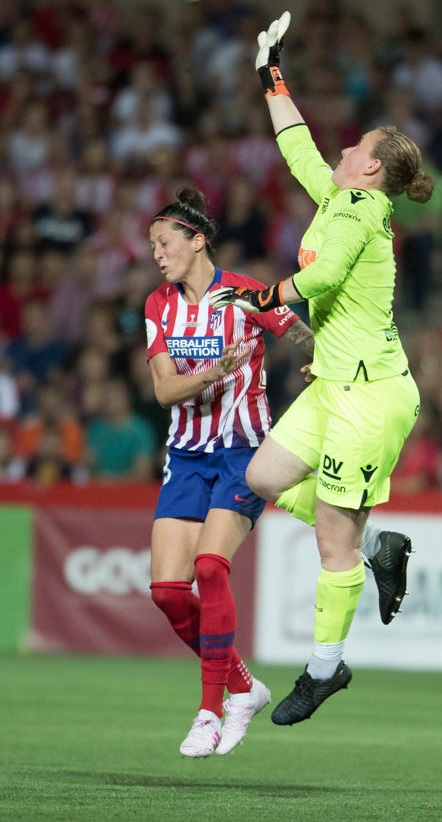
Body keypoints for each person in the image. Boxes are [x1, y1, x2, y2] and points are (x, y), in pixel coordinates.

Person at [210, 11, 433, 726]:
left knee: (330, 542)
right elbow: (297, 145)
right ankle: (376, 545)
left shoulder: (361, 210)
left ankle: (324, 668)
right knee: (262, 478)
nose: (341, 147)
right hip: (334, 383)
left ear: (371, 168)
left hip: (370, 397)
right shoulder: (342, 196)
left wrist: (262, 297)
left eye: (355, 146)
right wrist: (269, 73)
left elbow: (325, 274)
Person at [145, 184, 314, 757]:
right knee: (168, 592)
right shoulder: (159, 305)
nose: (157, 255)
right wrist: (214, 372)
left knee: (210, 567)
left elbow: (300, 333)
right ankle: (245, 687)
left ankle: (209, 711)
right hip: (187, 454)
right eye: (153, 246)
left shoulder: (245, 293)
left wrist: (319, 360)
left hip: (244, 452)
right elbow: (165, 391)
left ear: (197, 241)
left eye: (165, 243)